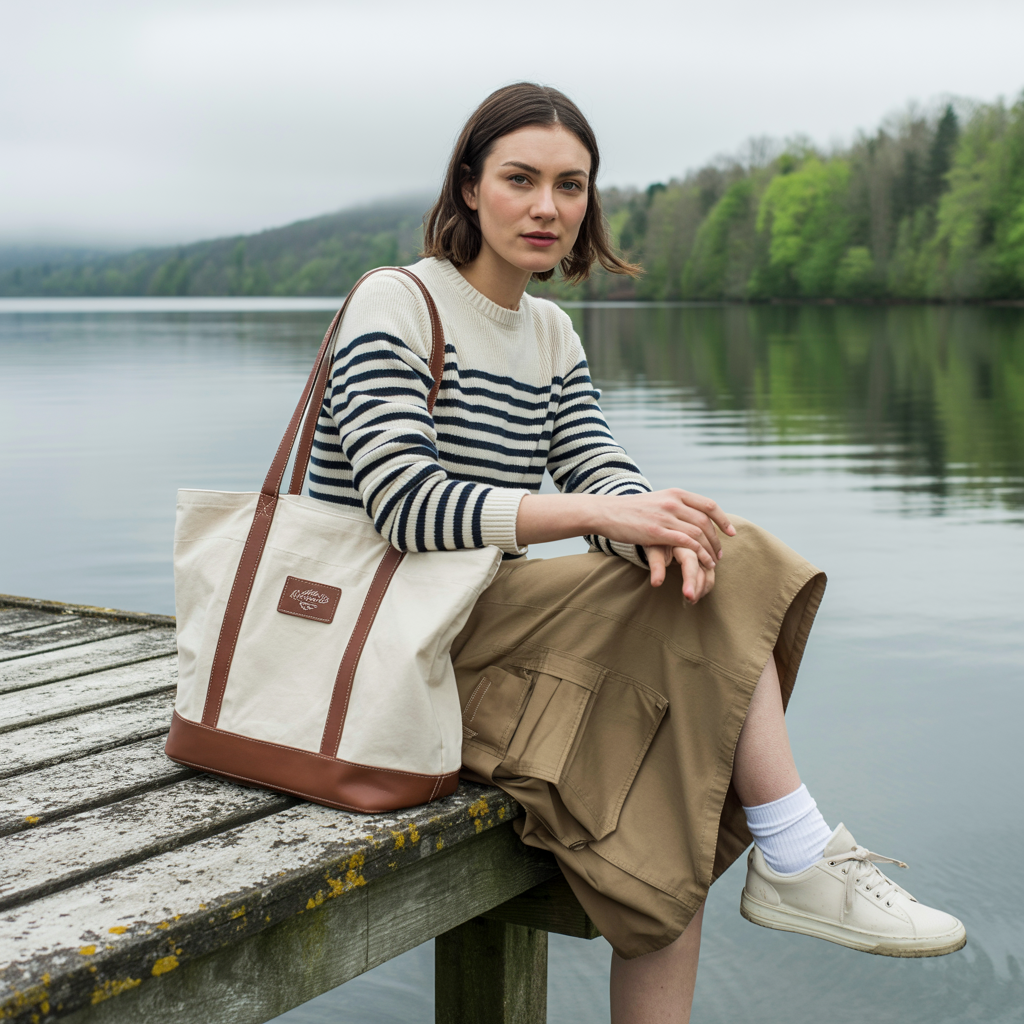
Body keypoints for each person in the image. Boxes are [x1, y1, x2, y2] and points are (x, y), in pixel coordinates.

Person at [309, 83, 965, 1022]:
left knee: (682, 749)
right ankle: (797, 849)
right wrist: (602, 515)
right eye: (520, 179)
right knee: (719, 591)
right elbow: (406, 506)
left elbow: (596, 464)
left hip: (485, 633)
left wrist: (654, 520)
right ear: (468, 187)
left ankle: (793, 853)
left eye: (570, 186)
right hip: (381, 649)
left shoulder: (550, 333)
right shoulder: (397, 302)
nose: (547, 207)